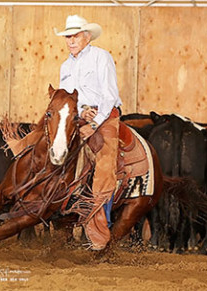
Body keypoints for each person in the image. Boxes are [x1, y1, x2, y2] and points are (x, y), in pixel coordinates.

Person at [55, 15, 123, 250]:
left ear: (86, 37)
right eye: (68, 37)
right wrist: (82, 112)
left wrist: (96, 121)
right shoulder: (65, 66)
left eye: (74, 36)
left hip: (106, 117)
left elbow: (109, 94)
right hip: (79, 117)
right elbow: (67, 98)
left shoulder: (100, 57)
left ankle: (100, 235)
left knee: (104, 167)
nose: (70, 41)